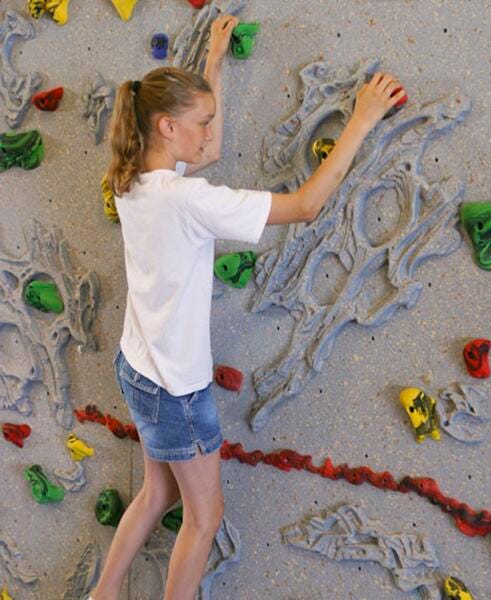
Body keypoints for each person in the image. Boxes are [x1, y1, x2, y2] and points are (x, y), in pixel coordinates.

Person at [89, 14, 405, 600]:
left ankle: (102, 595)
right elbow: (305, 206)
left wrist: (213, 62)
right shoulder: (187, 199)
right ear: (168, 127)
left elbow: (204, 152)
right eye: (202, 123)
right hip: (174, 389)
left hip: (138, 368)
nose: (210, 135)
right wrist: (361, 120)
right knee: (203, 517)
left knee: (158, 494)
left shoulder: (132, 179)